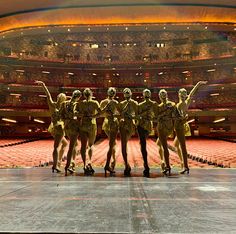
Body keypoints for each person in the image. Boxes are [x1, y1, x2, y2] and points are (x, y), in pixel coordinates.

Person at [174, 81, 207, 174]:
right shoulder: (183, 102)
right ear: (179, 94)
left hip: (181, 125)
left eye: (185, 93)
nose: (183, 94)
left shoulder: (183, 103)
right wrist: (199, 84)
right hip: (179, 125)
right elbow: (192, 93)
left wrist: (198, 84)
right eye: (182, 92)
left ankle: (185, 166)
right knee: (176, 145)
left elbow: (192, 93)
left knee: (183, 147)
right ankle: (183, 163)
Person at [35, 80, 67, 173]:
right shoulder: (63, 107)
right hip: (59, 128)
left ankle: (58, 162)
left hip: (53, 127)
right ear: (64, 100)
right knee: (56, 147)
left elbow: (48, 95)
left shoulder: (52, 104)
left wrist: (43, 85)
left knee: (64, 144)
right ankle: (55, 165)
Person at [75, 88, 100, 175]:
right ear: (91, 94)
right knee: (90, 145)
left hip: (83, 125)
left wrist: (82, 115)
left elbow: (75, 113)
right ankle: (89, 161)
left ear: (84, 95)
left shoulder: (80, 103)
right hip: (92, 125)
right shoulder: (95, 103)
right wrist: (93, 116)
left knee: (83, 146)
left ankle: (85, 164)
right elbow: (100, 113)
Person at [155, 89, 177, 176]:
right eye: (161, 94)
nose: (162, 95)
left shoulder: (170, 105)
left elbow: (175, 115)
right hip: (163, 126)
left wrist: (164, 116)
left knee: (164, 146)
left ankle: (167, 165)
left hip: (165, 127)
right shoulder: (162, 106)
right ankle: (163, 161)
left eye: (162, 94)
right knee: (158, 143)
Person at [60, 90, 81, 176]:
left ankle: (72, 163)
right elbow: (78, 115)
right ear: (78, 97)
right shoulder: (77, 104)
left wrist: (66, 120)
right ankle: (68, 165)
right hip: (74, 126)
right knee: (72, 146)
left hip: (66, 127)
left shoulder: (64, 103)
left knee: (75, 144)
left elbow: (61, 115)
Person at [100, 87, 119, 176]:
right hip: (112, 123)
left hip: (107, 123)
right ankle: (108, 164)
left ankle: (113, 160)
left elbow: (100, 113)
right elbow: (118, 114)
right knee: (112, 144)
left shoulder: (103, 102)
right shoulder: (115, 102)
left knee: (113, 143)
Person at [118, 88, 138, 176]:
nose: (126, 93)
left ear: (131, 93)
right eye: (125, 92)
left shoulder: (134, 103)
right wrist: (121, 119)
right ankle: (126, 165)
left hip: (130, 125)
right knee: (123, 145)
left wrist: (134, 122)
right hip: (123, 125)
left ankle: (127, 165)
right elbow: (118, 115)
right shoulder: (121, 104)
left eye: (128, 92)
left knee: (125, 143)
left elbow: (137, 115)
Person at [137, 89, 156, 177]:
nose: (147, 94)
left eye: (148, 92)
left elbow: (157, 114)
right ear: (143, 95)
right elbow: (137, 116)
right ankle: (146, 164)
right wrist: (145, 113)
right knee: (143, 144)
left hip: (148, 125)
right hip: (141, 125)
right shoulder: (140, 105)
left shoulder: (154, 104)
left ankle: (146, 164)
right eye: (145, 93)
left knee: (143, 144)